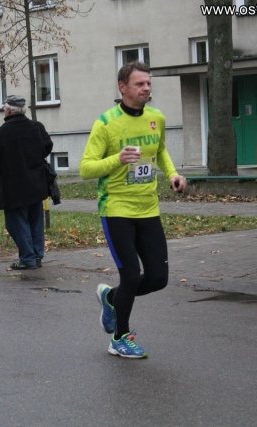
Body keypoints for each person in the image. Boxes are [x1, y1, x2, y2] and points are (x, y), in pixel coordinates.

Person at [80, 62, 187, 359]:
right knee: (130, 275)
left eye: (148, 83)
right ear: (122, 87)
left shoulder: (156, 118)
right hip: (116, 209)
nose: (146, 88)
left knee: (158, 278)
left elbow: (160, 150)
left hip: (148, 209)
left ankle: (111, 297)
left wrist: (173, 175)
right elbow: (86, 168)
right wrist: (117, 159)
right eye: (140, 84)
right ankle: (119, 338)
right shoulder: (106, 123)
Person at [0, 95, 53, 270]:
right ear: (24, 110)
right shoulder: (37, 128)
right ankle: (36, 256)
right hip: (36, 185)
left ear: (7, 110)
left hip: (12, 188)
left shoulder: (0, 134)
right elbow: (47, 147)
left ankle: (27, 258)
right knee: (35, 222)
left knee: (16, 223)